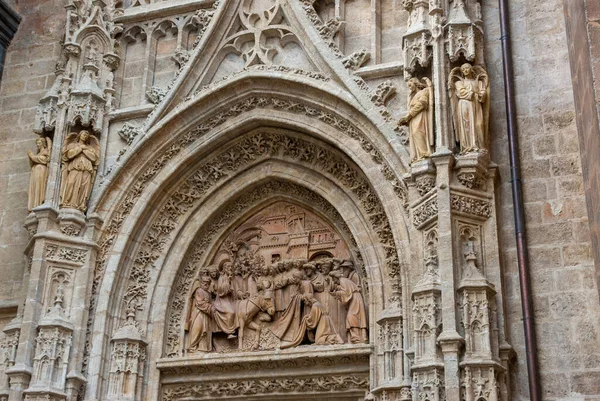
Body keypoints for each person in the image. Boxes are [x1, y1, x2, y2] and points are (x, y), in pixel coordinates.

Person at [448, 63, 490, 154]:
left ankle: (480, 146)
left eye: (467, 68)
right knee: (466, 125)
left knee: (479, 124)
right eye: (463, 69)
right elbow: (461, 92)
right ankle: (468, 146)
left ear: (471, 69)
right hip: (464, 105)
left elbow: (483, 92)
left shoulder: (478, 82)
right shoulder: (459, 83)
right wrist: (472, 93)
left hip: (476, 105)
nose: (465, 70)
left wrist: (482, 94)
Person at [60, 130, 100, 211]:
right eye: (83, 134)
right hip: (75, 168)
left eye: (86, 135)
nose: (84, 136)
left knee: (83, 188)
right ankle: (67, 202)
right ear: (79, 135)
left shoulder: (89, 148)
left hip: (86, 170)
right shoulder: (72, 145)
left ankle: (80, 205)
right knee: (71, 183)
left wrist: (84, 150)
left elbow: (94, 158)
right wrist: (79, 148)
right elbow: (69, 155)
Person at [398, 77, 434, 163]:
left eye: (410, 85)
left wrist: (409, 115)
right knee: (414, 134)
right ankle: (419, 155)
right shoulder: (413, 96)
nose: (410, 87)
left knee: (418, 131)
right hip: (414, 118)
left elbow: (422, 103)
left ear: (415, 83)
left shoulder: (424, 91)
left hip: (420, 115)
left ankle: (424, 153)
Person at [330, 270, 368, 343]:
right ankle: (357, 336)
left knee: (351, 317)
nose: (334, 281)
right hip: (355, 299)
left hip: (355, 299)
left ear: (336, 277)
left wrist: (336, 293)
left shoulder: (342, 280)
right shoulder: (344, 281)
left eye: (333, 279)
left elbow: (346, 294)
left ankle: (357, 337)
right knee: (353, 317)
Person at [185, 276, 214, 352]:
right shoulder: (199, 291)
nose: (205, 284)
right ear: (201, 283)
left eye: (207, 283)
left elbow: (211, 303)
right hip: (199, 313)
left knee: (206, 331)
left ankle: (203, 348)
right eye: (204, 283)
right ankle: (192, 346)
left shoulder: (209, 294)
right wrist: (210, 307)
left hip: (207, 315)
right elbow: (199, 303)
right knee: (198, 328)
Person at [27, 136, 51, 211]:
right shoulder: (38, 153)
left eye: (39, 143)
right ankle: (33, 205)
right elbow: (32, 164)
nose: (38, 144)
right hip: (35, 171)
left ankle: (38, 203)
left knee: (39, 185)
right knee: (34, 187)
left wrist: (32, 156)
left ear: (43, 144)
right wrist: (31, 158)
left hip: (41, 170)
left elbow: (45, 160)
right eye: (37, 143)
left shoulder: (46, 151)